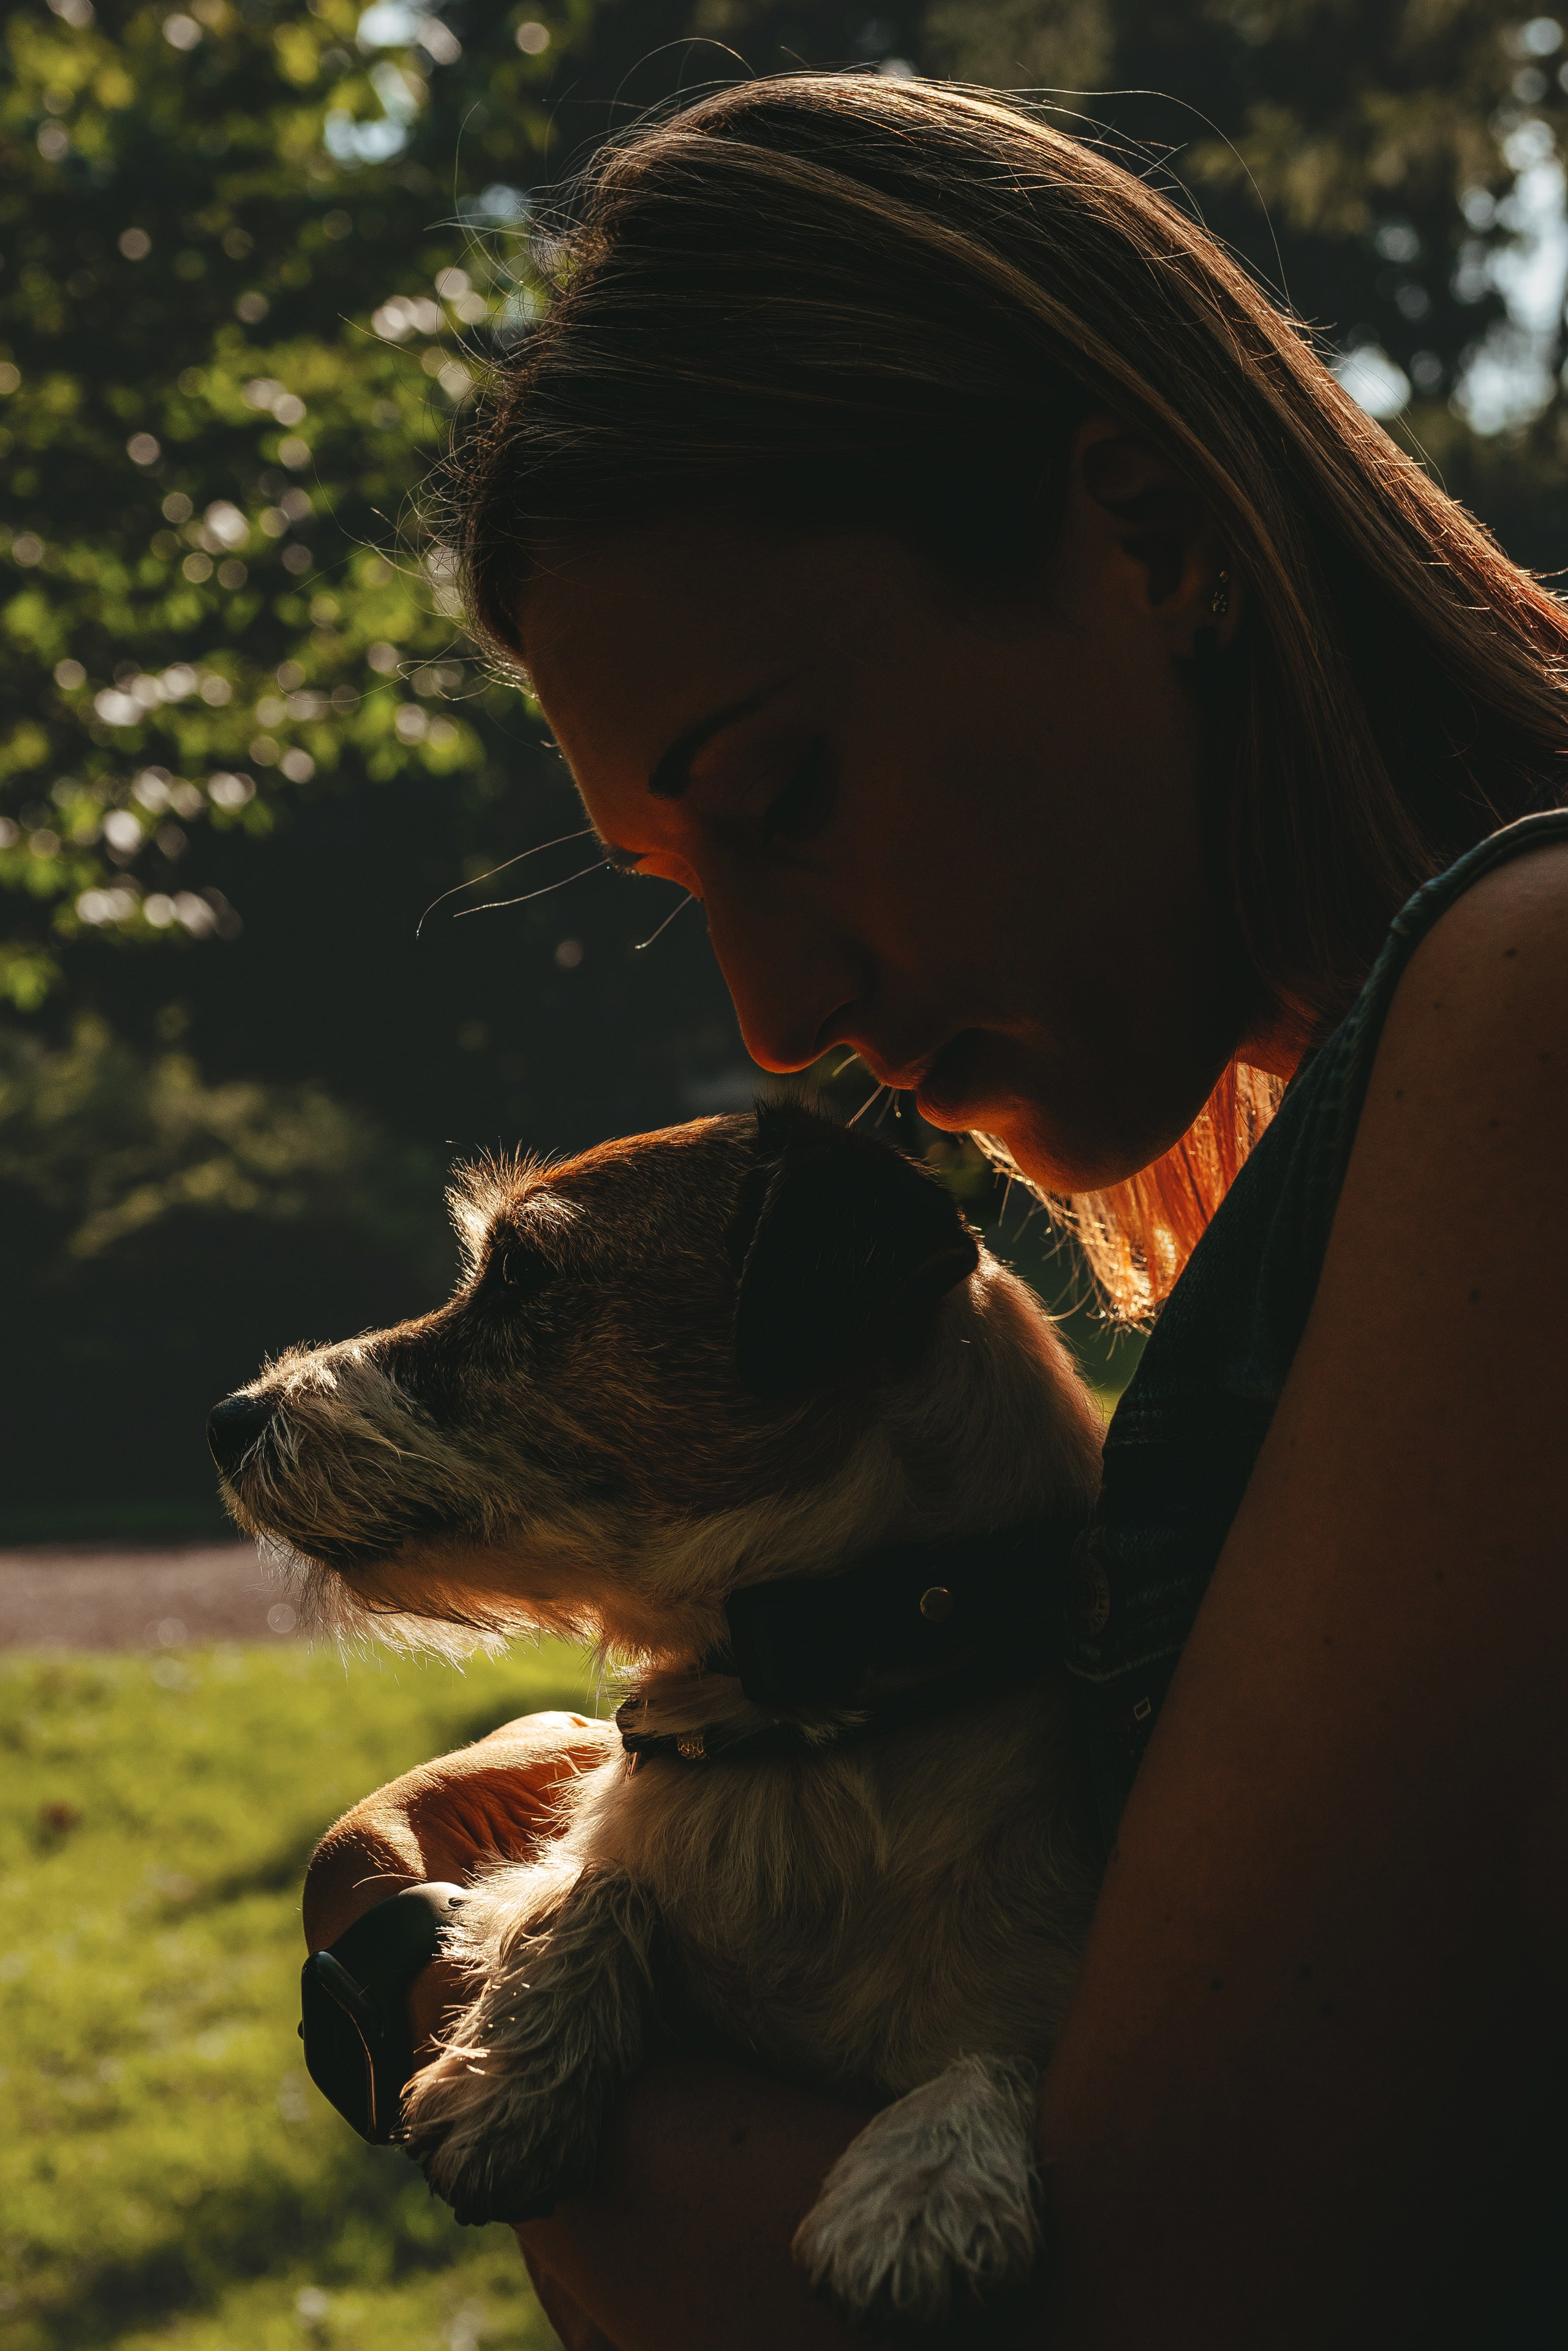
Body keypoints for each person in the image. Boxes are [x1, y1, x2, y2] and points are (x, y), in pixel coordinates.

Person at [303, 74, 1568, 2347]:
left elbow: (1172, 2295)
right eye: (686, 895)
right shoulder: (1371, 1141)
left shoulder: (1535, 1007)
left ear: (1151, 537)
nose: (777, 1017)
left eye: (786, 793)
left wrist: (401, 1949)